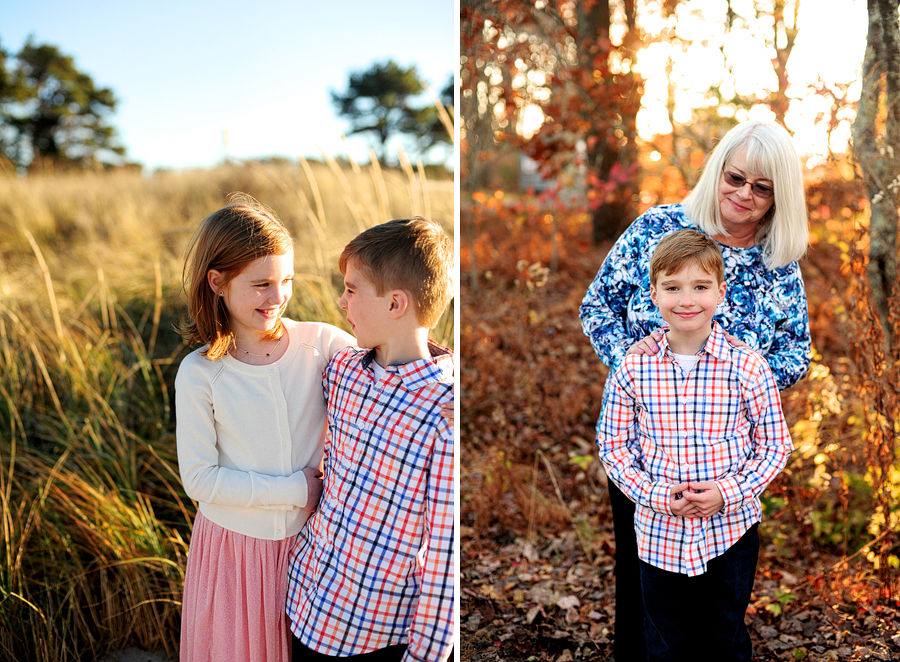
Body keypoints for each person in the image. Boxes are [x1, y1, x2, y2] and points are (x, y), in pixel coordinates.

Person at [579, 119, 810, 660]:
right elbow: (598, 308)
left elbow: (797, 350)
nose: (743, 195)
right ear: (718, 171)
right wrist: (641, 375)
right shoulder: (656, 229)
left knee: (721, 600)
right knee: (645, 590)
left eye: (761, 187)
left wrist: (735, 387)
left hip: (730, 458)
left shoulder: (778, 260)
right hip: (648, 449)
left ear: (778, 196)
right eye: (736, 178)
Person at [598, 229, 793, 661]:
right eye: (672, 287)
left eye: (700, 287)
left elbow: (775, 446)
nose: (687, 300)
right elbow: (613, 446)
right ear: (654, 294)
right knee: (666, 642)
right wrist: (653, 496)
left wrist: (728, 492)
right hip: (657, 533)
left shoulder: (747, 367)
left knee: (724, 638)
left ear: (721, 292)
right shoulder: (633, 366)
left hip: (731, 532)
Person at [174, 196, 355, 662]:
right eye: (260, 285)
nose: (277, 298)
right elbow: (199, 479)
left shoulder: (323, 344)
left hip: (314, 550)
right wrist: (295, 489)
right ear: (217, 281)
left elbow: (396, 362)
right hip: (234, 552)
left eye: (285, 281)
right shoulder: (200, 372)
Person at [285, 216, 454, 662]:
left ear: (396, 303)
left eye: (352, 290)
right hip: (306, 599)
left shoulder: (444, 412)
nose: (341, 302)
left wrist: (426, 656)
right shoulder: (342, 371)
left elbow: (444, 556)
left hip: (374, 628)